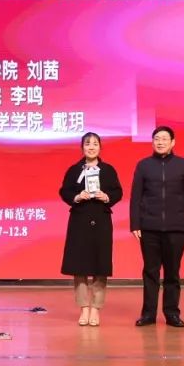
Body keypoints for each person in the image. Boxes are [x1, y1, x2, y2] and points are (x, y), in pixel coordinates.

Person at [129, 126, 184, 328]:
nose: (160, 142)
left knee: (172, 273)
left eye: (164, 139)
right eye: (156, 139)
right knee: (150, 272)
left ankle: (172, 314)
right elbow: (135, 197)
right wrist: (135, 224)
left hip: (177, 228)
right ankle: (148, 314)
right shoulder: (143, 165)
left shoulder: (183, 165)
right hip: (149, 228)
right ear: (152, 142)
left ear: (172, 142)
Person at [58, 132, 123, 327]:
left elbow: (118, 191)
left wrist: (107, 196)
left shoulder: (108, 170)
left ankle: (96, 309)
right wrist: (77, 197)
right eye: (88, 144)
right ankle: (84, 308)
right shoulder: (74, 170)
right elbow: (64, 191)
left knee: (100, 266)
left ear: (100, 147)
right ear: (82, 147)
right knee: (79, 267)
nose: (91, 147)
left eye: (95, 144)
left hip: (101, 221)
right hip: (79, 221)